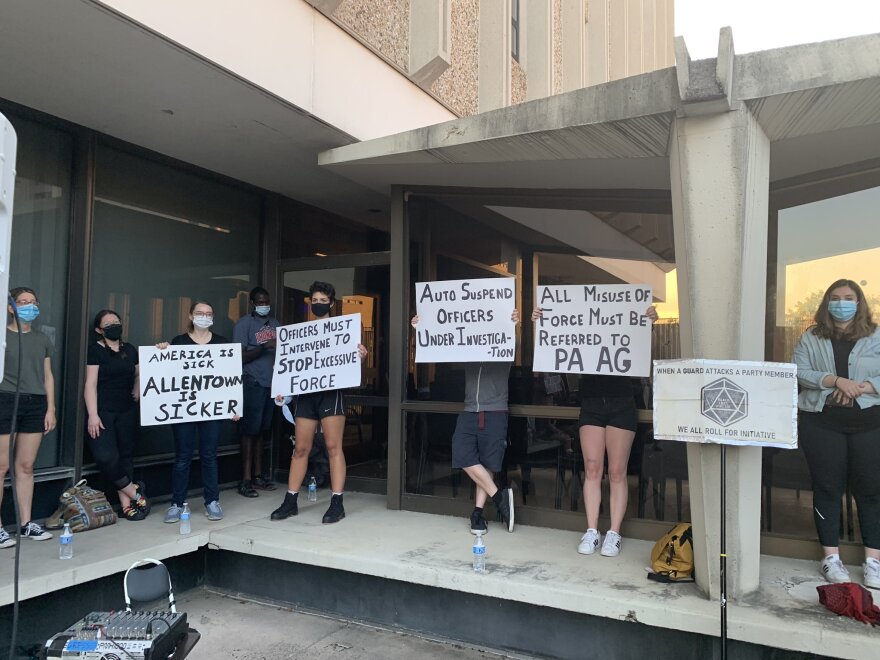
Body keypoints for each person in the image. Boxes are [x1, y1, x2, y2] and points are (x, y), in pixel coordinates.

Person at [532, 304, 657, 557]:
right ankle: (592, 530)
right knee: (591, 468)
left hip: (622, 401)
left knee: (617, 472)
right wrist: (540, 323)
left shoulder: (624, 329)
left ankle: (614, 533)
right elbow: (556, 344)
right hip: (591, 402)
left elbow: (643, 351)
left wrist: (649, 325)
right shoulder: (584, 330)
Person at [793, 278, 880, 589]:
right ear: (827, 303)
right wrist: (835, 381)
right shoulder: (811, 337)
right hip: (822, 423)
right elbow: (799, 371)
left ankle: (873, 561)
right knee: (827, 488)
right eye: (835, 297)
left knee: (871, 491)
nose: (841, 303)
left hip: (870, 425)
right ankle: (831, 558)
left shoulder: (876, 335)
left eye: (848, 297)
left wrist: (863, 387)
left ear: (859, 302)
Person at [409, 311, 519, 535]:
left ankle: (477, 513)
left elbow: (512, 342)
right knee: (461, 453)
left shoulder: (503, 343)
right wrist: (421, 328)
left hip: (495, 410)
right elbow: (442, 343)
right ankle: (500, 498)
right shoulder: (469, 345)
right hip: (469, 410)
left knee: (487, 464)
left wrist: (513, 325)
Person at [271, 281, 367, 524]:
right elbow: (290, 367)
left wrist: (360, 357)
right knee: (300, 449)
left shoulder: (343, 331)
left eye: (324, 301)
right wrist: (283, 392)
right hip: (306, 395)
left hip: (331, 393)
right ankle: (290, 500)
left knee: (333, 447)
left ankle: (337, 502)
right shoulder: (300, 333)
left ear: (332, 303)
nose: (319, 304)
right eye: (315, 300)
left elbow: (351, 364)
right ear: (309, 302)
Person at [158, 301, 235, 523]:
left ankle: (212, 501)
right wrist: (163, 353)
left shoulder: (221, 343)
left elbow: (229, 376)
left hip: (212, 410)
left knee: (209, 456)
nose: (204, 316)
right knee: (183, 457)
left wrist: (233, 405)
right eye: (200, 313)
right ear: (191, 316)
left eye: (209, 313)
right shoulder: (179, 342)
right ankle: (177, 503)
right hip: (185, 409)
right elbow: (168, 373)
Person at [0, 287, 56, 547]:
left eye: (32, 302)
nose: (28, 306)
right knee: (1, 466)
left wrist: (50, 408)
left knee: (25, 465)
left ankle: (26, 523)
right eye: (22, 302)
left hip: (35, 402)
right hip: (6, 399)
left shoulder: (41, 339)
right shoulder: (3, 336)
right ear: (10, 307)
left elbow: (47, 376)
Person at [84, 309, 150, 521]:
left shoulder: (129, 349)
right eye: (108, 323)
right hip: (103, 410)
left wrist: (137, 389)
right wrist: (93, 414)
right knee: (105, 456)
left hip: (127, 409)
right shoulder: (95, 350)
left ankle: (125, 505)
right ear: (99, 330)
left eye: (116, 321)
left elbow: (139, 373)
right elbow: (90, 383)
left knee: (125, 456)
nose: (114, 325)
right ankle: (135, 493)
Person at [233, 287, 279, 497]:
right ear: (252, 303)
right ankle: (245, 480)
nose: (264, 305)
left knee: (262, 430)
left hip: (271, 385)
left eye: (266, 302)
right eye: (260, 302)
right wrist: (264, 346)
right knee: (249, 431)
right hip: (252, 382)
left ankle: (259, 476)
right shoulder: (244, 324)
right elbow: (239, 356)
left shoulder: (276, 324)